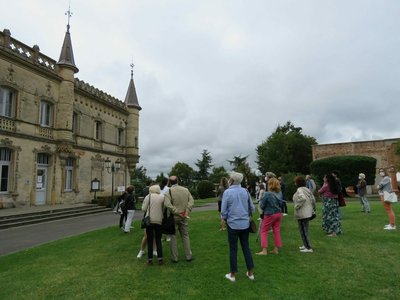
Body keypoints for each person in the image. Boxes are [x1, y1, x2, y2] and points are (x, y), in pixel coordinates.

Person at [221, 171, 255, 282]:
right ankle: (250, 272)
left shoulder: (227, 192)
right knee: (246, 248)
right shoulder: (245, 191)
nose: (229, 180)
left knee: (233, 249)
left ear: (233, 180)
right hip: (244, 224)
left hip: (233, 224)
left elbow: (223, 211)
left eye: (230, 178)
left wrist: (225, 219)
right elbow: (252, 208)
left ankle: (233, 274)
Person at [164, 175, 194, 262]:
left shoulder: (168, 192)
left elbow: (167, 205)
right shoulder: (185, 190)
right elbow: (191, 201)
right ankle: (188, 256)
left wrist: (178, 212)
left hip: (174, 216)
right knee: (185, 236)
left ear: (169, 182)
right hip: (183, 216)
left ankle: (175, 258)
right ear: (178, 181)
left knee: (173, 236)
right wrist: (186, 212)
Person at [256, 177, 283, 255]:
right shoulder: (280, 193)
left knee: (264, 231)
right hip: (278, 214)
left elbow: (262, 205)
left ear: (270, 185)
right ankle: (276, 249)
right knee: (276, 231)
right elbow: (281, 204)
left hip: (270, 214)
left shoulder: (267, 194)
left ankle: (264, 250)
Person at [141, 184, 165, 265]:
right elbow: (163, 209)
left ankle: (150, 260)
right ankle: (160, 259)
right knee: (158, 240)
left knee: (150, 240)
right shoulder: (162, 197)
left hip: (149, 220)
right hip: (159, 220)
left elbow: (143, 209)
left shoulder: (148, 196)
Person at [293, 176, 316, 253]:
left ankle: (308, 248)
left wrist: (297, 206)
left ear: (297, 183)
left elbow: (302, 198)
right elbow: (313, 200)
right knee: (304, 229)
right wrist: (313, 208)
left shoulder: (299, 190)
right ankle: (305, 244)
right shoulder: (307, 189)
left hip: (302, 213)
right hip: (307, 212)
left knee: (303, 230)